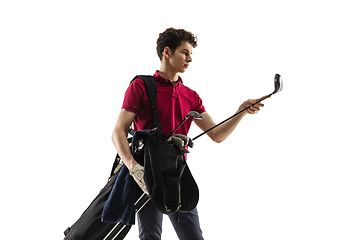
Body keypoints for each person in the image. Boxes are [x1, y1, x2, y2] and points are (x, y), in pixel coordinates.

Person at [111, 28, 265, 240]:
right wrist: (133, 167)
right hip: (147, 173)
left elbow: (217, 134)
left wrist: (241, 112)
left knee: (193, 236)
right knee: (150, 235)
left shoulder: (191, 96)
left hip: (176, 172)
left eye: (190, 54)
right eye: (185, 52)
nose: (190, 59)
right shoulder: (141, 86)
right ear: (167, 52)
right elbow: (118, 131)